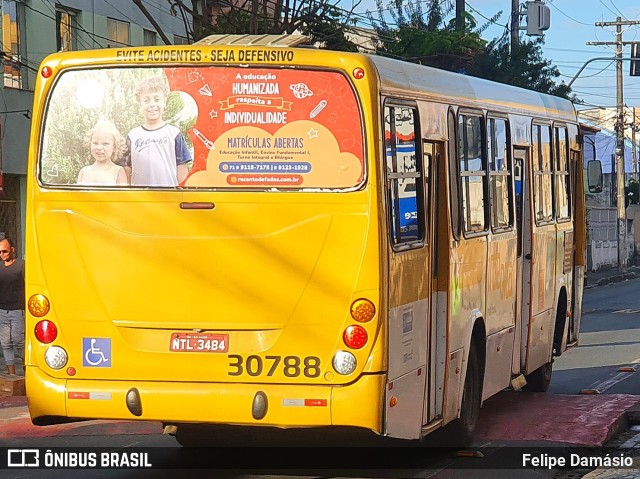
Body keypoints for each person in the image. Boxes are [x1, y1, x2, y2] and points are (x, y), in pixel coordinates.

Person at [122, 76, 191, 186]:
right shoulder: (133, 135)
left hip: (169, 197)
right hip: (140, 198)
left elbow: (182, 168)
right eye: (146, 100)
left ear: (164, 103)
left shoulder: (174, 133)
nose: (152, 104)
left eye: (157, 99)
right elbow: (127, 168)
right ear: (140, 105)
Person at [77, 120, 128, 186]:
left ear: (115, 147)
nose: (99, 147)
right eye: (95, 143)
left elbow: (123, 195)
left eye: (105, 144)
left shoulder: (118, 171)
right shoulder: (84, 171)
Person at [0, 238, 24, 376]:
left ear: (12, 250)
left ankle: (27, 372)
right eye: (0, 252)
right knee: (6, 343)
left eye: (5, 251)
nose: (2, 254)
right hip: (2, 310)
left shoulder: (22, 265)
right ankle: (12, 376)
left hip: (17, 310)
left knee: (18, 342)